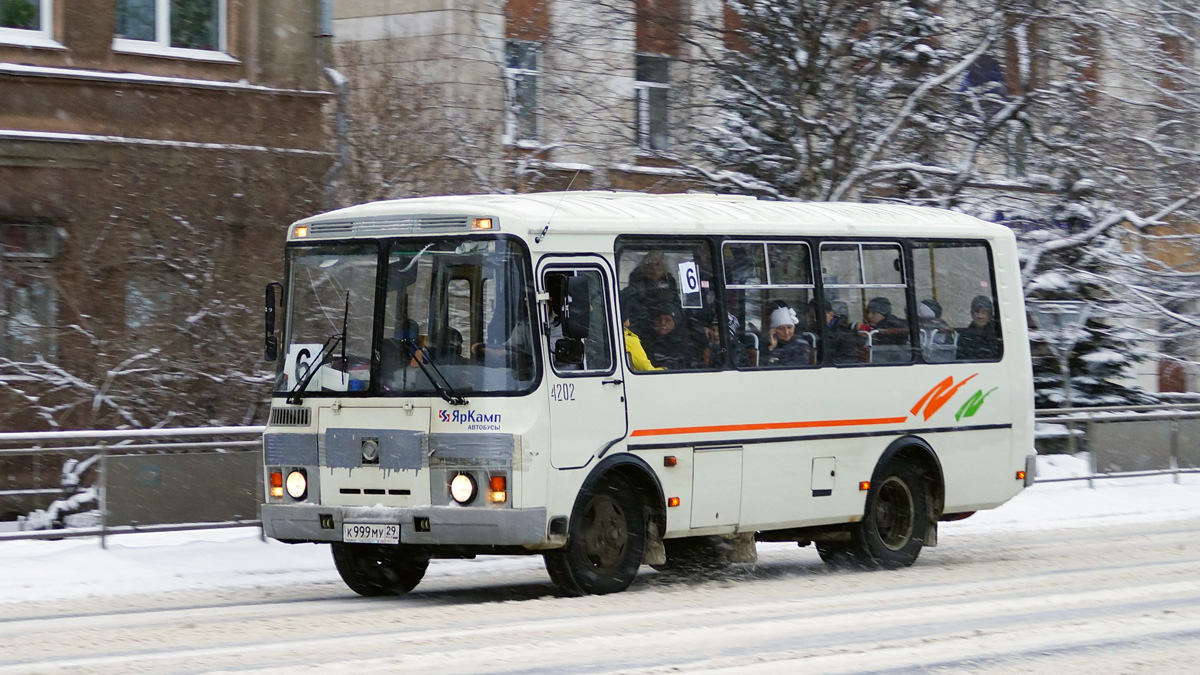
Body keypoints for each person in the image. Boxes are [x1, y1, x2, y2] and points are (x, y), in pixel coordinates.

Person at [622, 251, 678, 335]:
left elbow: (678, 307)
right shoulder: (633, 289)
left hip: (669, 332)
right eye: (649, 265)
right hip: (642, 330)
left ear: (663, 266)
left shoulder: (670, 284)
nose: (653, 268)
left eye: (657, 264)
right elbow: (630, 311)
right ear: (643, 267)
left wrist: (673, 320)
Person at [644, 305, 699, 370]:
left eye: (668, 320)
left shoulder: (684, 345)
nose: (662, 323)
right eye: (659, 320)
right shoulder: (646, 343)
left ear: (675, 324)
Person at [957, 295, 1001, 360]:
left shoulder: (998, 333)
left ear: (989, 314)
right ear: (972, 313)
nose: (980, 316)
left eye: (984, 312)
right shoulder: (965, 336)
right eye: (977, 312)